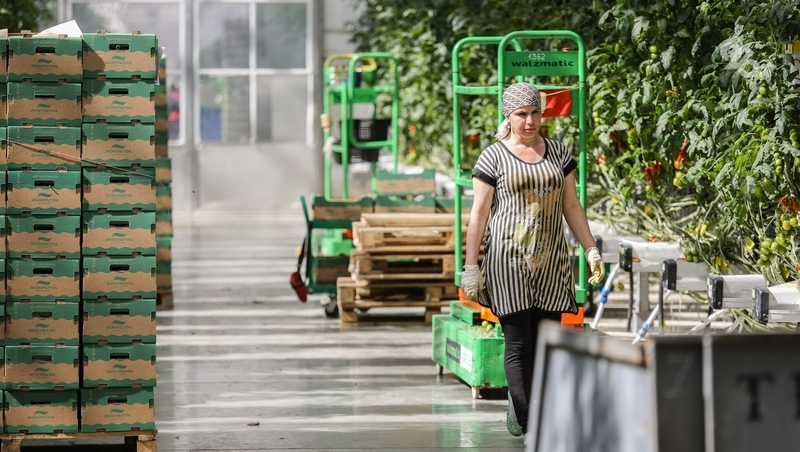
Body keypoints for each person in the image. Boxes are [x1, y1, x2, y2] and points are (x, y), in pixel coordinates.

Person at [460, 82, 604, 440]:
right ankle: (530, 421)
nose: (530, 121)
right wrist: (471, 265)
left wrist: (590, 248)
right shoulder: (493, 157)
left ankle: (533, 410)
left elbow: (571, 205)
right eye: (521, 114)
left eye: (535, 112)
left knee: (545, 343)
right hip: (507, 259)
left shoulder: (558, 152)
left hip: (552, 259)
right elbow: (478, 214)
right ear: (508, 116)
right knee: (519, 344)